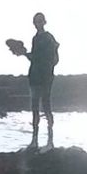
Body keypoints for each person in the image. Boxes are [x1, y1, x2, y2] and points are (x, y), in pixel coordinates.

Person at [21, 12, 59, 148]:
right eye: (36, 22)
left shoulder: (49, 38)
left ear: (44, 22)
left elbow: (55, 59)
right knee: (35, 108)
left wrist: (47, 70)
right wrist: (24, 53)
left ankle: (50, 141)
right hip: (34, 76)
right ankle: (34, 140)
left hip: (45, 77)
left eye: (40, 21)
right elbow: (34, 58)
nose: (38, 24)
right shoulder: (35, 39)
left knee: (46, 106)